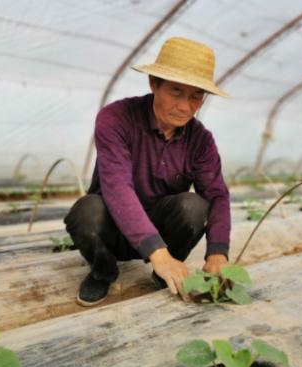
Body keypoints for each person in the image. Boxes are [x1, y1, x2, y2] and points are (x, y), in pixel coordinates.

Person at [64, 37, 231, 306]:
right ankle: (103, 271)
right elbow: (117, 186)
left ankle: (161, 273)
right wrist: (158, 252)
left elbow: (217, 195)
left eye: (196, 96)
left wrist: (218, 253)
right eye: (176, 92)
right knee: (86, 212)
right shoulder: (116, 118)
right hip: (112, 227)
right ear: (153, 83)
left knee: (195, 206)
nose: (186, 107)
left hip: (162, 229)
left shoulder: (201, 140)